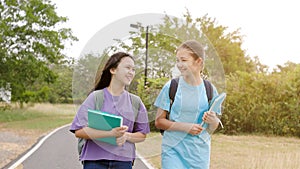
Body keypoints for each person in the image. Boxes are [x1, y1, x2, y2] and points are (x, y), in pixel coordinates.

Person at [70, 52, 150, 169]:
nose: (131, 72)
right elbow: (79, 131)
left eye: (133, 69)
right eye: (127, 68)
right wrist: (110, 134)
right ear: (113, 70)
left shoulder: (135, 102)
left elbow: (142, 135)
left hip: (123, 161)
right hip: (94, 160)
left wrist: (126, 136)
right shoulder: (95, 97)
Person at [154, 40, 221, 169]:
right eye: (177, 60)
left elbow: (213, 126)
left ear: (198, 61)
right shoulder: (171, 86)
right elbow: (159, 121)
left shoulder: (210, 90)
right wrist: (185, 127)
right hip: (172, 150)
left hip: (199, 155)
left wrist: (213, 120)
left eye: (184, 60)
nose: (179, 65)